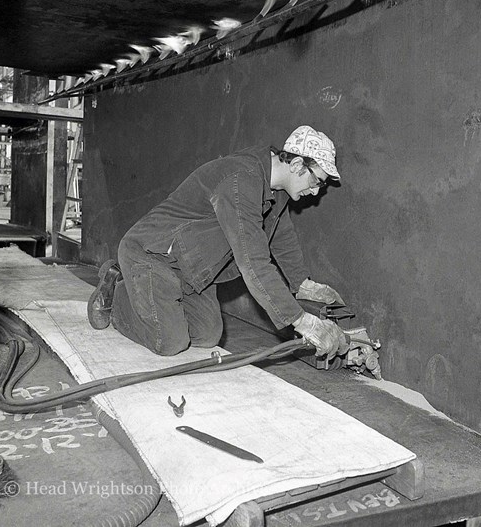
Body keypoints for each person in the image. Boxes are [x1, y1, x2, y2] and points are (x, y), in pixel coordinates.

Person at [87, 125, 349, 360]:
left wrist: (302, 284)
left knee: (206, 335)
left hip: (190, 270)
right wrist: (302, 321)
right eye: (316, 181)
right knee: (169, 342)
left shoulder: (275, 189)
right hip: (151, 255)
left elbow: (280, 234)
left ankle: (146, 296)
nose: (315, 191)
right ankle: (118, 291)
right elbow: (253, 263)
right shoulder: (241, 179)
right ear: (296, 165)